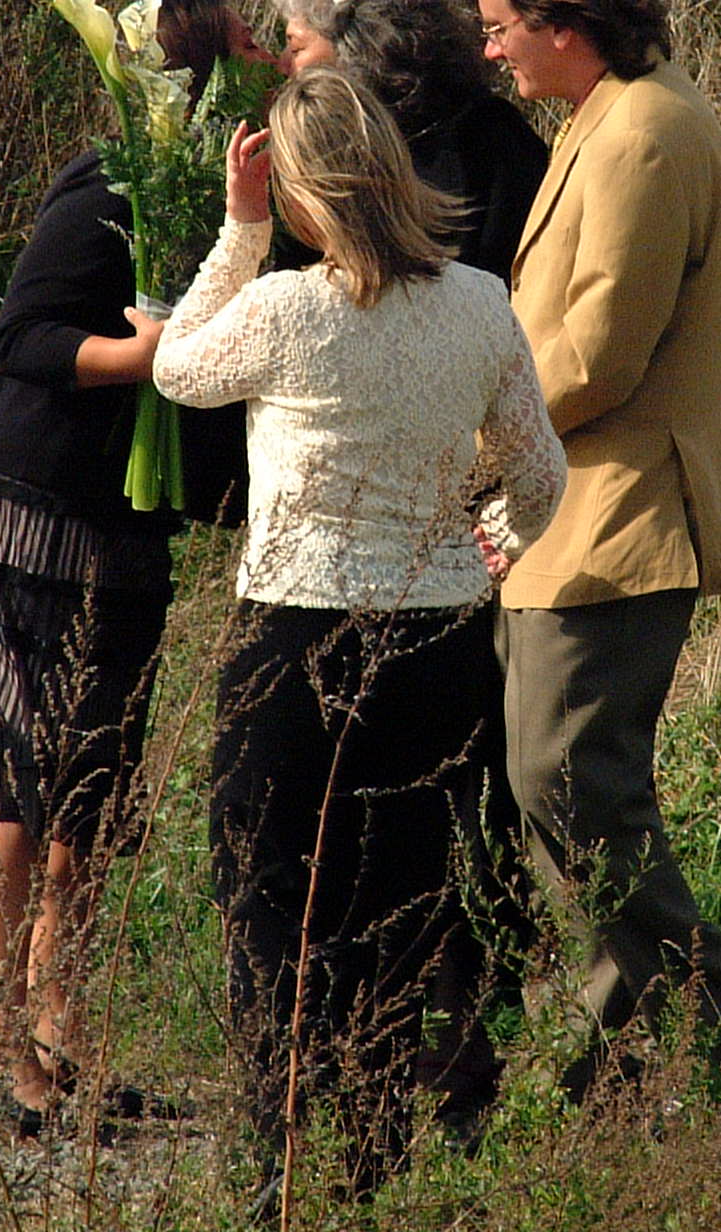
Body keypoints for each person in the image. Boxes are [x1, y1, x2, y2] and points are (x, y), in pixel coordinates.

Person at [152, 67, 566, 1205]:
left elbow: (176, 366)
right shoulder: (480, 300)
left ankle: (277, 1159)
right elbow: (541, 478)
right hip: (438, 648)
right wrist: (485, 546)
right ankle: (375, 1158)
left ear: (299, 194)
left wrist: (239, 232)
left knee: (273, 903)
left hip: (296, 641)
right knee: (403, 904)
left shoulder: (286, 310)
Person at [465, 0, 721, 1100]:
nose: (488, 50)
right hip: (574, 512)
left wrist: (470, 454)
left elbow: (599, 355)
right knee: (567, 795)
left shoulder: (643, 135)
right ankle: (602, 1069)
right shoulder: (605, 118)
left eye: (499, 27)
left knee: (568, 787)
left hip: (618, 516)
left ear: (562, 18)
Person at [0, 0, 263, 1135]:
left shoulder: (211, 196)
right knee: (28, 770)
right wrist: (143, 360)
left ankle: (60, 1037)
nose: (273, 62)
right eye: (249, 48)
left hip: (126, 526)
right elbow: (22, 338)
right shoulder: (112, 186)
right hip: (35, 511)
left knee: (96, 784)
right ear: (201, 78)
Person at [272, 0, 551, 279]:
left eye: (296, 48)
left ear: (356, 46)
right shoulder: (321, 155)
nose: (283, 65)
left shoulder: (488, 137)